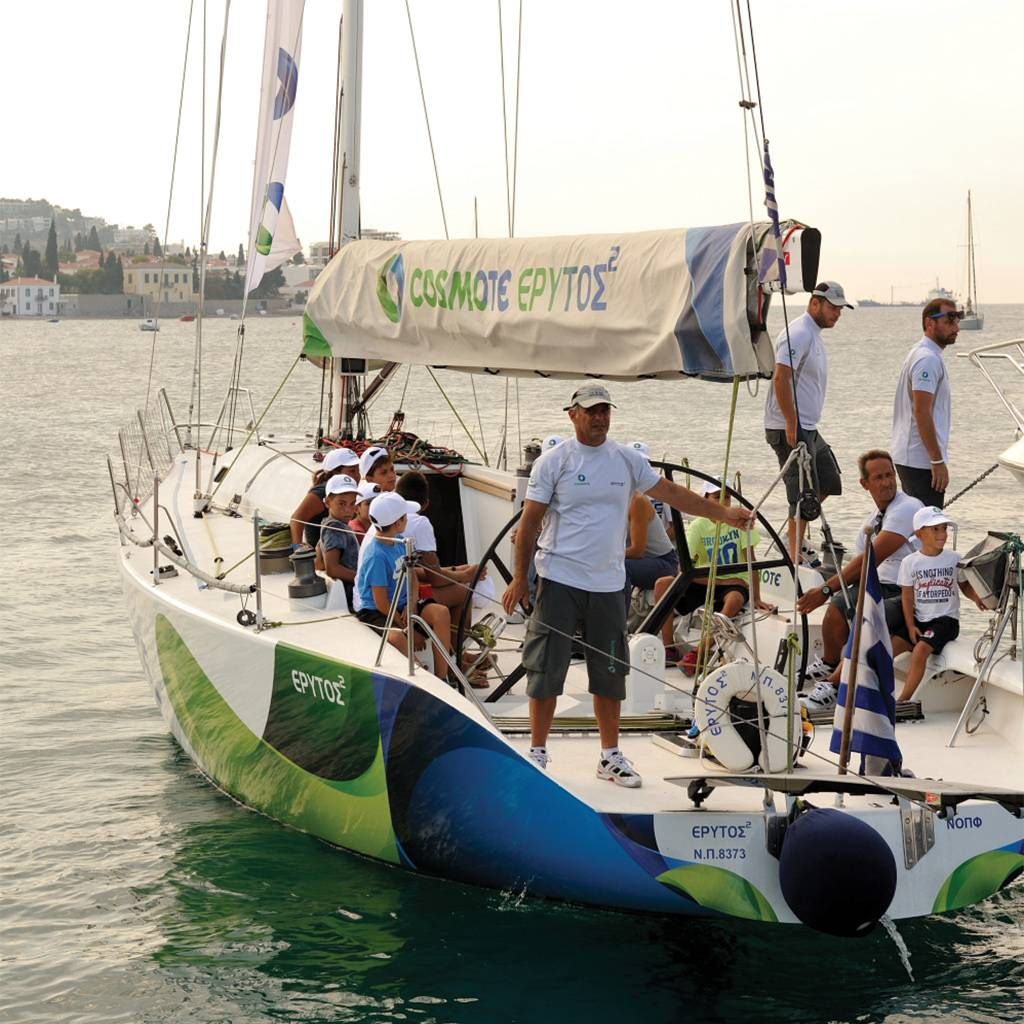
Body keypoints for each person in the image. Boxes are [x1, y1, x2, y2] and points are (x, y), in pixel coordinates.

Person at [501, 383, 755, 787]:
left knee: (610, 672)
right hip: (560, 578)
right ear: (573, 414)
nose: (599, 418)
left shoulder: (626, 460)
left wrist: (723, 514)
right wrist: (519, 578)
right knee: (546, 668)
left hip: (608, 585)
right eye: (591, 411)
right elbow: (530, 522)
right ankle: (538, 751)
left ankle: (609, 756)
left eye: (605, 410)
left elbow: (672, 493)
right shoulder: (554, 461)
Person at [797, 449, 923, 710]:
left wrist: (825, 589)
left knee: (864, 617)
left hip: (905, 591)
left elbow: (872, 557)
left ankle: (835, 686)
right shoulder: (872, 520)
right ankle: (831, 663)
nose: (887, 482)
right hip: (877, 585)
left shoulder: (908, 507)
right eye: (878, 477)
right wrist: (832, 593)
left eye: (889, 475)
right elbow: (861, 565)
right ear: (865, 484)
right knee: (836, 608)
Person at [764, 281, 852, 563]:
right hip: (788, 426)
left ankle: (792, 536)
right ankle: (793, 556)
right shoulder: (799, 333)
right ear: (815, 303)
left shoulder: (813, 334)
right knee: (802, 494)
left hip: (809, 427)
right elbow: (781, 377)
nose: (837, 314)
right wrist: (791, 422)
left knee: (829, 481)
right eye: (833, 307)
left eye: (840, 309)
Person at [653, 479, 763, 674]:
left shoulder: (741, 524)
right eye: (717, 496)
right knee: (663, 584)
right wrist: (722, 580)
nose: (723, 501)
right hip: (706, 579)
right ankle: (669, 648)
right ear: (705, 499)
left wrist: (757, 597)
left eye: (727, 497)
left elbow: (751, 561)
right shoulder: (697, 527)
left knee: (735, 599)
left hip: (734, 584)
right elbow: (683, 569)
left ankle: (699, 653)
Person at [395, 472, 489, 685]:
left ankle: (457, 655)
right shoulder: (420, 522)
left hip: (401, 585)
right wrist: (465, 575)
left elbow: (417, 569)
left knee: (457, 586)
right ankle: (456, 664)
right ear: (426, 503)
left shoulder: (390, 518)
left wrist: (455, 570)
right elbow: (435, 577)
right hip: (403, 595)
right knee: (463, 593)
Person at [355, 492, 452, 680]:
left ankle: (443, 677)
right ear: (397, 523)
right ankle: (422, 675)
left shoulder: (400, 543)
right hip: (377, 611)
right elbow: (381, 602)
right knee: (397, 637)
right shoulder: (376, 555)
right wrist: (409, 630)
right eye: (405, 516)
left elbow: (412, 578)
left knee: (441, 613)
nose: (408, 519)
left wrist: (412, 604)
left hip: (403, 604)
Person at [892, 506, 985, 702]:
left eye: (944, 528)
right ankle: (874, 693)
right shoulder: (910, 562)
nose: (942, 534)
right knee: (888, 648)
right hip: (920, 620)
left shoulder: (955, 558)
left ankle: (902, 702)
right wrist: (910, 626)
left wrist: (976, 597)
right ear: (919, 533)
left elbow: (963, 585)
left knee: (920, 651)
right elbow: (907, 597)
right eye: (935, 529)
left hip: (946, 621)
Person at [891, 298, 961, 508]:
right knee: (928, 524)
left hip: (914, 458)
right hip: (920, 461)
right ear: (930, 323)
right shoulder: (927, 359)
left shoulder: (923, 353)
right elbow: (921, 411)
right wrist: (937, 461)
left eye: (957, 320)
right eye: (949, 320)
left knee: (917, 521)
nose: (956, 327)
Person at [289, 446, 361, 549]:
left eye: (358, 470)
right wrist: (297, 549)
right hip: (324, 551)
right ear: (335, 472)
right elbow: (297, 519)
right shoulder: (323, 492)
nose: (358, 476)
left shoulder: (350, 491)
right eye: (352, 471)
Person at [314, 475, 360, 608]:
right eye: (341, 503)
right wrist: (363, 580)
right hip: (350, 595)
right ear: (327, 502)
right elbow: (332, 569)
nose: (348, 510)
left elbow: (319, 562)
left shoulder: (328, 524)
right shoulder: (334, 527)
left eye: (352, 503)